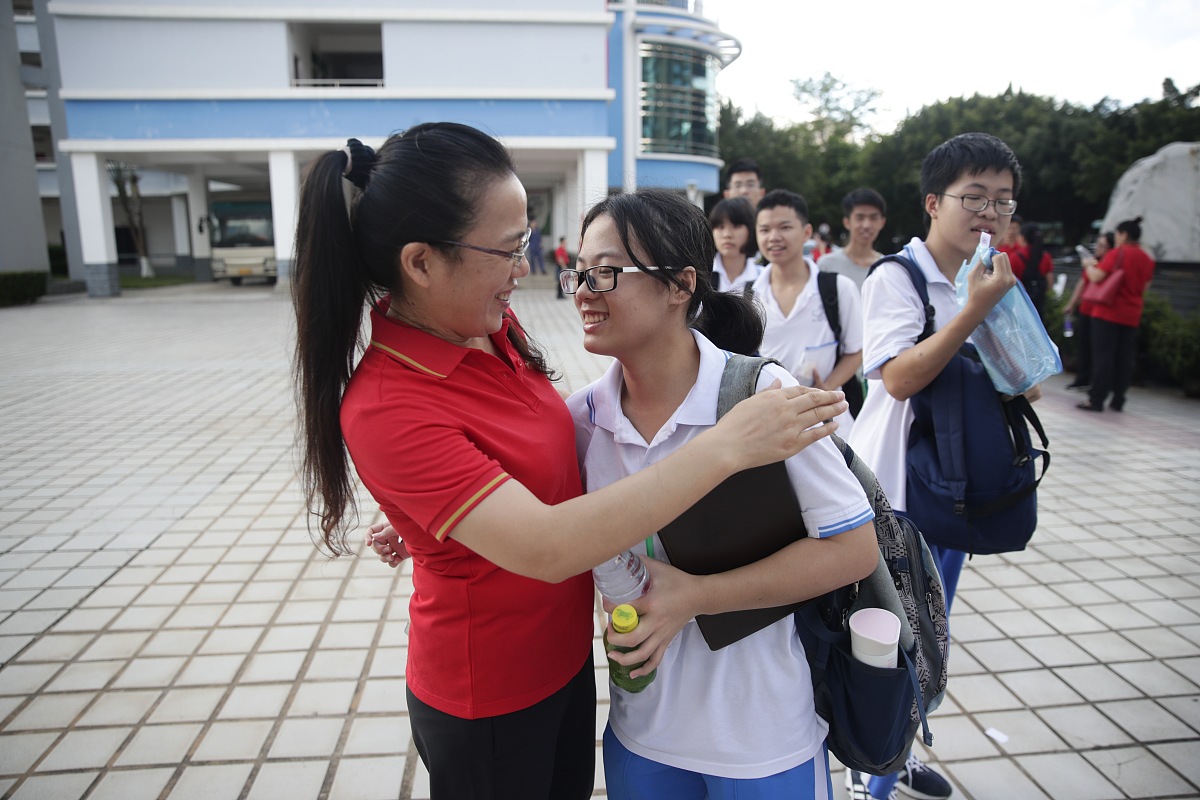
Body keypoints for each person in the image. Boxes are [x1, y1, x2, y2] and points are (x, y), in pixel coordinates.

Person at [292, 122, 849, 800]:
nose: (529, 272)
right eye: (507, 248)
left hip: (572, 673)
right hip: (491, 698)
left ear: (682, 285)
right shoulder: (388, 402)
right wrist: (726, 446)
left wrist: (446, 512)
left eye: (527, 243)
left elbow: (528, 444)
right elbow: (549, 545)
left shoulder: (489, 330)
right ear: (421, 263)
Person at [563, 188, 877, 799]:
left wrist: (699, 596)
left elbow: (853, 548)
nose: (583, 290)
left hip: (764, 743)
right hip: (641, 739)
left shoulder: (762, 397)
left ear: (681, 285)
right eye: (580, 272)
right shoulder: (582, 422)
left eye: (607, 272)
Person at [847, 131, 1027, 800]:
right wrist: (976, 312)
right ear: (933, 202)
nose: (988, 213)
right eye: (973, 197)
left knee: (927, 640)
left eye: (1003, 203)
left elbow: (1027, 383)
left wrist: (1001, 321)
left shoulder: (983, 279)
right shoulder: (898, 277)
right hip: (896, 494)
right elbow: (895, 379)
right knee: (892, 645)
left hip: (952, 490)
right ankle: (874, 777)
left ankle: (892, 760)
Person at [753, 189, 863, 435]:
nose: (774, 237)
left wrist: (828, 387)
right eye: (764, 230)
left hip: (830, 420)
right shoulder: (747, 296)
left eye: (784, 227)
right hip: (770, 424)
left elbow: (856, 351)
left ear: (806, 233)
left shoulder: (837, 289)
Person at [1078, 217, 1156, 413]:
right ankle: (1118, 399)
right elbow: (1145, 287)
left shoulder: (1117, 253)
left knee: (1103, 357)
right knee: (1124, 358)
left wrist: (1088, 265)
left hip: (1107, 312)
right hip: (1132, 314)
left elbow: (1097, 277)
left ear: (1124, 235)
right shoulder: (1147, 259)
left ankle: (1096, 400)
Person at [1063, 231, 1114, 390]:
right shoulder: (1094, 262)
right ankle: (1082, 377)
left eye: (1102, 245)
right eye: (1097, 244)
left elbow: (1095, 278)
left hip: (1100, 312)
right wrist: (1072, 303)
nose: (1098, 248)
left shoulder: (1108, 263)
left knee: (1097, 349)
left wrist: (1089, 266)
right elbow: (1082, 283)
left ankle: (1095, 382)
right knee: (1083, 345)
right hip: (1086, 308)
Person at [819, 188, 888, 291]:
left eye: (873, 218)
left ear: (882, 222)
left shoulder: (887, 268)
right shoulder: (827, 265)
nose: (866, 225)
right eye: (860, 218)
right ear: (847, 222)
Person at [708, 197, 762, 292]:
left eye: (736, 226)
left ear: (751, 230)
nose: (727, 234)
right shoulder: (699, 276)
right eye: (720, 227)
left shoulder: (764, 278)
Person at [1009, 220, 1053, 316]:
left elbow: (1009, 280)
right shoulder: (1046, 256)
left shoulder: (1015, 256)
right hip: (1039, 301)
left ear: (1023, 238)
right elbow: (1049, 280)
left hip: (1020, 301)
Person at [554, 235, 570, 299]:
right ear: (562, 242)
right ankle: (559, 295)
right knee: (560, 281)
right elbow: (560, 259)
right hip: (560, 266)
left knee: (562, 281)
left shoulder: (563, 249)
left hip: (563, 266)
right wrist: (564, 266)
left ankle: (561, 294)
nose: (566, 243)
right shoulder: (559, 249)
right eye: (565, 241)